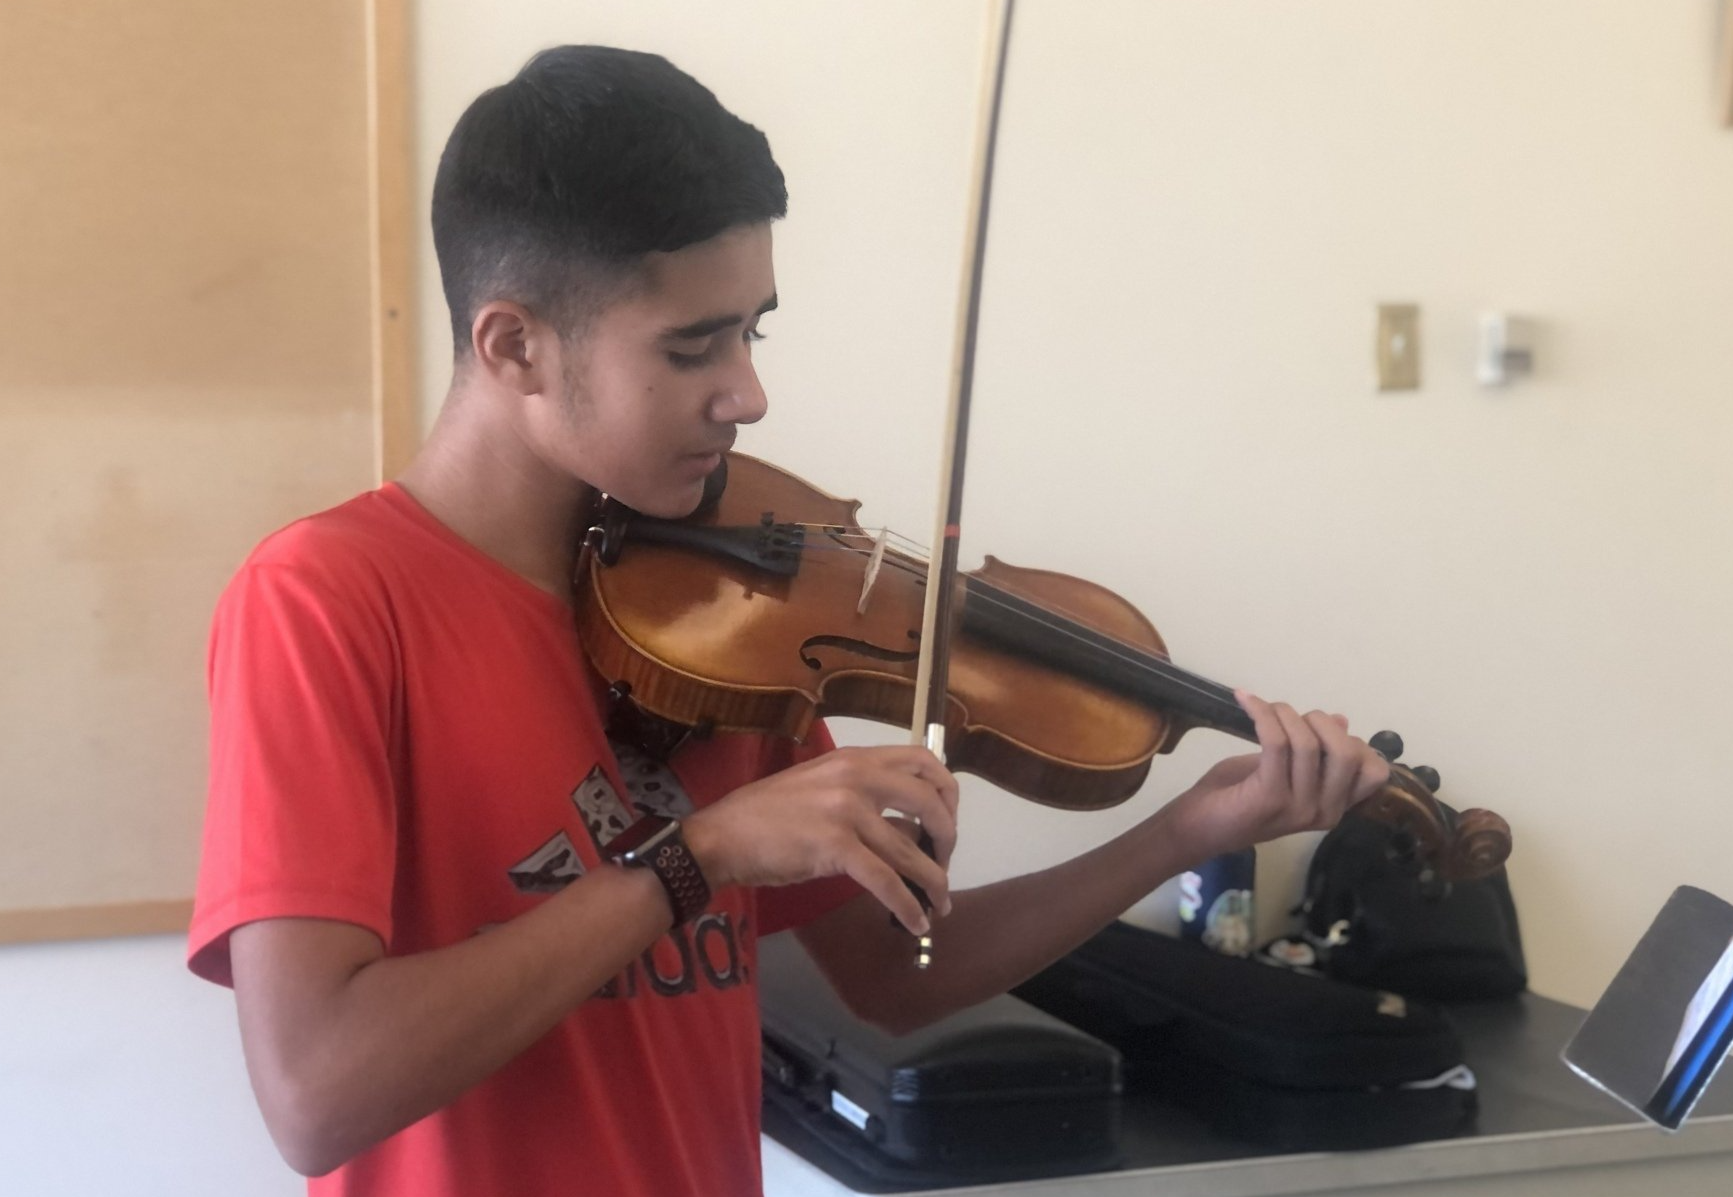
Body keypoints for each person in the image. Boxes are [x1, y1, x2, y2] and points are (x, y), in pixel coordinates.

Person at [187, 45, 1389, 1197]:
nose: (747, 393)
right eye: (689, 345)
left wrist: (1181, 831)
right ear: (514, 347)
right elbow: (317, 1092)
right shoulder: (327, 600)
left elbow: (896, 977)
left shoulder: (717, 620)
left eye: (752, 330)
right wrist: (698, 857)